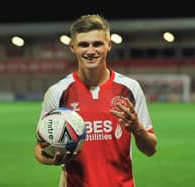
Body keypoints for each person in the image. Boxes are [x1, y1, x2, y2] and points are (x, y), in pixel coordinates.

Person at [34, 14, 157, 187]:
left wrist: (137, 129)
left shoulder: (130, 88)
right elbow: (40, 148)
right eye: (84, 44)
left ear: (109, 45)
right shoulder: (58, 92)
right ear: (72, 47)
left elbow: (150, 149)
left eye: (97, 44)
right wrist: (53, 160)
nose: (91, 51)